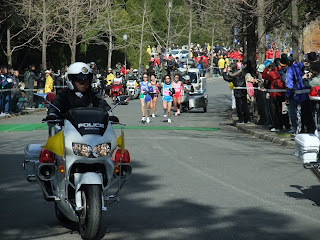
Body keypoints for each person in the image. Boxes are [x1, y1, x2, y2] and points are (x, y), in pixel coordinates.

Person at [46, 62, 111, 120]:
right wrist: (52, 113)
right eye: (79, 81)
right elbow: (56, 104)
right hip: (68, 130)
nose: (83, 83)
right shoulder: (63, 94)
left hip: (92, 128)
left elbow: (102, 103)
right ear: (71, 81)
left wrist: (110, 114)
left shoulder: (92, 94)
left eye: (86, 80)